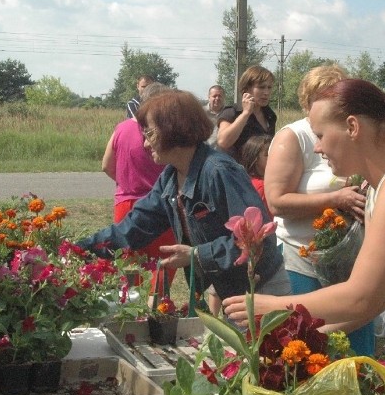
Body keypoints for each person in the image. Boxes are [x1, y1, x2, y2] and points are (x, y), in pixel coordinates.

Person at [223, 79, 385, 341]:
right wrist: (308, 339)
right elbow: (377, 300)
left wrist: (272, 307)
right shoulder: (378, 187)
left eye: (321, 135)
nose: (317, 147)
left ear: (352, 127)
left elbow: (362, 296)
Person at [78, 90, 291, 306]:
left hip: (262, 289)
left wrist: (197, 255)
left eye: (150, 134)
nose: (145, 144)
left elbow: (257, 238)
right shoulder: (170, 177)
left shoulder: (219, 171)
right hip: (231, 290)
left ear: (173, 129)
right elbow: (135, 227)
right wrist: (79, 249)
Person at [263, 65, 373, 355]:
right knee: (310, 345)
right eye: (324, 96)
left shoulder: (352, 134)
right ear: (309, 101)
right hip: (303, 259)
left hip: (350, 259)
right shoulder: (294, 137)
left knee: (355, 349)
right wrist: (336, 199)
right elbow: (276, 202)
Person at [102, 82, 176, 295]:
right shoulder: (164, 132)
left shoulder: (121, 128)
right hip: (158, 205)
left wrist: (126, 181)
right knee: (164, 263)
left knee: (128, 265)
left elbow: (106, 164)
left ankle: (129, 306)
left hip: (125, 204)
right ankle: (156, 306)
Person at [217, 66, 276, 161]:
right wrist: (245, 114)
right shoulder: (232, 112)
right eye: (261, 87)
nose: (266, 92)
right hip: (236, 172)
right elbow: (223, 142)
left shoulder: (269, 115)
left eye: (269, 87)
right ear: (246, 89)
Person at [239, 134, 272, 219]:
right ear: (255, 159)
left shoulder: (244, 180)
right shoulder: (262, 186)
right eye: (268, 154)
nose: (274, 156)